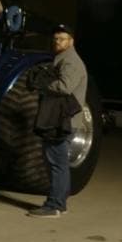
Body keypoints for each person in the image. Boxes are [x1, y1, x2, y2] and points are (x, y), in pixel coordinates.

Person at [28, 24, 88, 218]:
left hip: (63, 121)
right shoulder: (63, 58)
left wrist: (43, 84)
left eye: (61, 39)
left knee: (57, 163)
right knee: (59, 162)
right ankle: (60, 204)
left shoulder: (70, 60)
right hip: (64, 119)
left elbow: (65, 86)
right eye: (55, 39)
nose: (57, 42)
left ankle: (54, 206)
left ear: (71, 41)